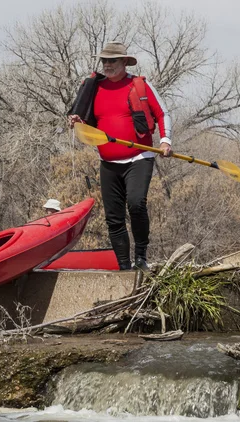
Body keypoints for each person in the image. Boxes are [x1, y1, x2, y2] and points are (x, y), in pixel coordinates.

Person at [68, 41, 172, 271]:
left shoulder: (139, 85)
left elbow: (162, 114)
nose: (107, 65)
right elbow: (88, 121)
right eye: (104, 60)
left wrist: (166, 141)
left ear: (124, 61)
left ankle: (141, 257)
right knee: (113, 217)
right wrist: (78, 122)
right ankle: (124, 266)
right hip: (108, 162)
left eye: (112, 60)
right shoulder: (94, 87)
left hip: (139, 157)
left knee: (136, 204)